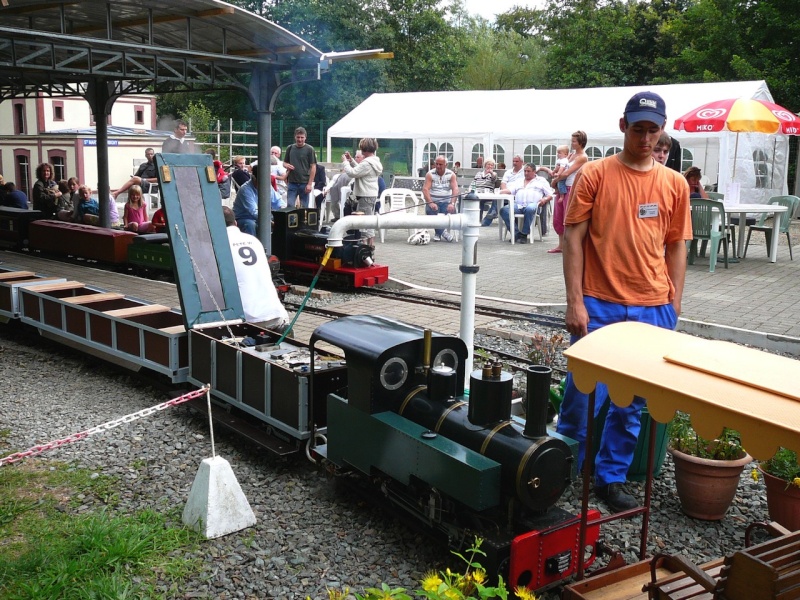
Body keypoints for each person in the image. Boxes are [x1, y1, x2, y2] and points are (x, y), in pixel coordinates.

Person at [556, 91, 691, 513]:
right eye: (638, 129)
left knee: (631, 401)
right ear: (623, 127)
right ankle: (563, 469)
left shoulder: (674, 183)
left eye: (653, 130)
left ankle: (610, 477)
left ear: (662, 130)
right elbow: (571, 237)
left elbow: (677, 246)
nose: (646, 138)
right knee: (581, 394)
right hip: (599, 302)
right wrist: (574, 302)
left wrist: (675, 303)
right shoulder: (595, 175)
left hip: (653, 307)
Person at [222, 206, 290, 331]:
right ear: (235, 223)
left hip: (248, 320)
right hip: (277, 314)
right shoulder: (254, 241)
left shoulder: (220, 245)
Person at [549, 131, 589, 254]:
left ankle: (570, 245)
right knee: (558, 216)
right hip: (563, 188)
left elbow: (567, 173)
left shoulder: (582, 157)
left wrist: (555, 181)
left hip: (572, 188)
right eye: (571, 141)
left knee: (568, 217)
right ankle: (561, 245)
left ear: (581, 142)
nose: (571, 143)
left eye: (574, 141)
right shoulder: (571, 155)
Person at [342, 138, 383, 247]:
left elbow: (352, 173)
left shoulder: (367, 163)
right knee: (369, 220)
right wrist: (351, 160)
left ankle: (366, 248)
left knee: (364, 223)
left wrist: (345, 163)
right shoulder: (374, 161)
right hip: (371, 195)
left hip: (365, 195)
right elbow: (361, 170)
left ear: (364, 149)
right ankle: (370, 246)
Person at [498, 163, 553, 243]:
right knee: (504, 210)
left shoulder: (541, 181)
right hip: (518, 205)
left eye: (528, 171)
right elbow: (510, 190)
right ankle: (516, 233)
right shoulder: (519, 181)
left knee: (529, 208)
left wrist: (544, 199)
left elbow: (550, 194)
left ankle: (524, 233)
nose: (526, 173)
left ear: (534, 172)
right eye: (525, 171)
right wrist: (500, 191)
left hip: (533, 205)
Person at [423, 155, 459, 242]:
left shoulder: (451, 175)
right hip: (434, 201)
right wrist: (430, 202)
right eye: (436, 164)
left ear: (446, 165)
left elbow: (455, 189)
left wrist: (452, 203)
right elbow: (425, 189)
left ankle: (438, 233)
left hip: (446, 202)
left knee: (451, 211)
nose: (438, 166)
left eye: (440, 164)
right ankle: (444, 233)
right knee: (430, 210)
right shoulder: (430, 174)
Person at [483, 155, 524, 226]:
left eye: (517, 161)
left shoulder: (525, 171)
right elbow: (503, 183)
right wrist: (505, 191)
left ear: (522, 162)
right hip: (506, 193)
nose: (514, 163)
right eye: (513, 161)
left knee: (498, 197)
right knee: (499, 195)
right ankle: (492, 213)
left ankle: (489, 218)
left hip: (518, 194)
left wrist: (547, 170)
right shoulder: (508, 172)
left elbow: (536, 168)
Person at [283, 127, 317, 208]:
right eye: (298, 137)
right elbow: (284, 163)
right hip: (292, 182)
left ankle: (302, 221)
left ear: (305, 137)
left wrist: (309, 184)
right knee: (290, 206)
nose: (300, 139)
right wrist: (286, 165)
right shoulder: (290, 148)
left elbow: (313, 167)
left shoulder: (309, 149)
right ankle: (291, 221)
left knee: (304, 207)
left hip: (304, 183)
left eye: (302, 137)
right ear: (295, 137)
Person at [472, 159, 498, 226]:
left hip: (489, 194)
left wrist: (491, 173)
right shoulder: (479, 174)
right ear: (485, 165)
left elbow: (494, 179)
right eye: (488, 164)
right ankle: (478, 220)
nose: (490, 166)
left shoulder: (494, 174)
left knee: (496, 198)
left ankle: (487, 220)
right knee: (478, 201)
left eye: (492, 165)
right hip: (479, 193)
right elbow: (473, 183)